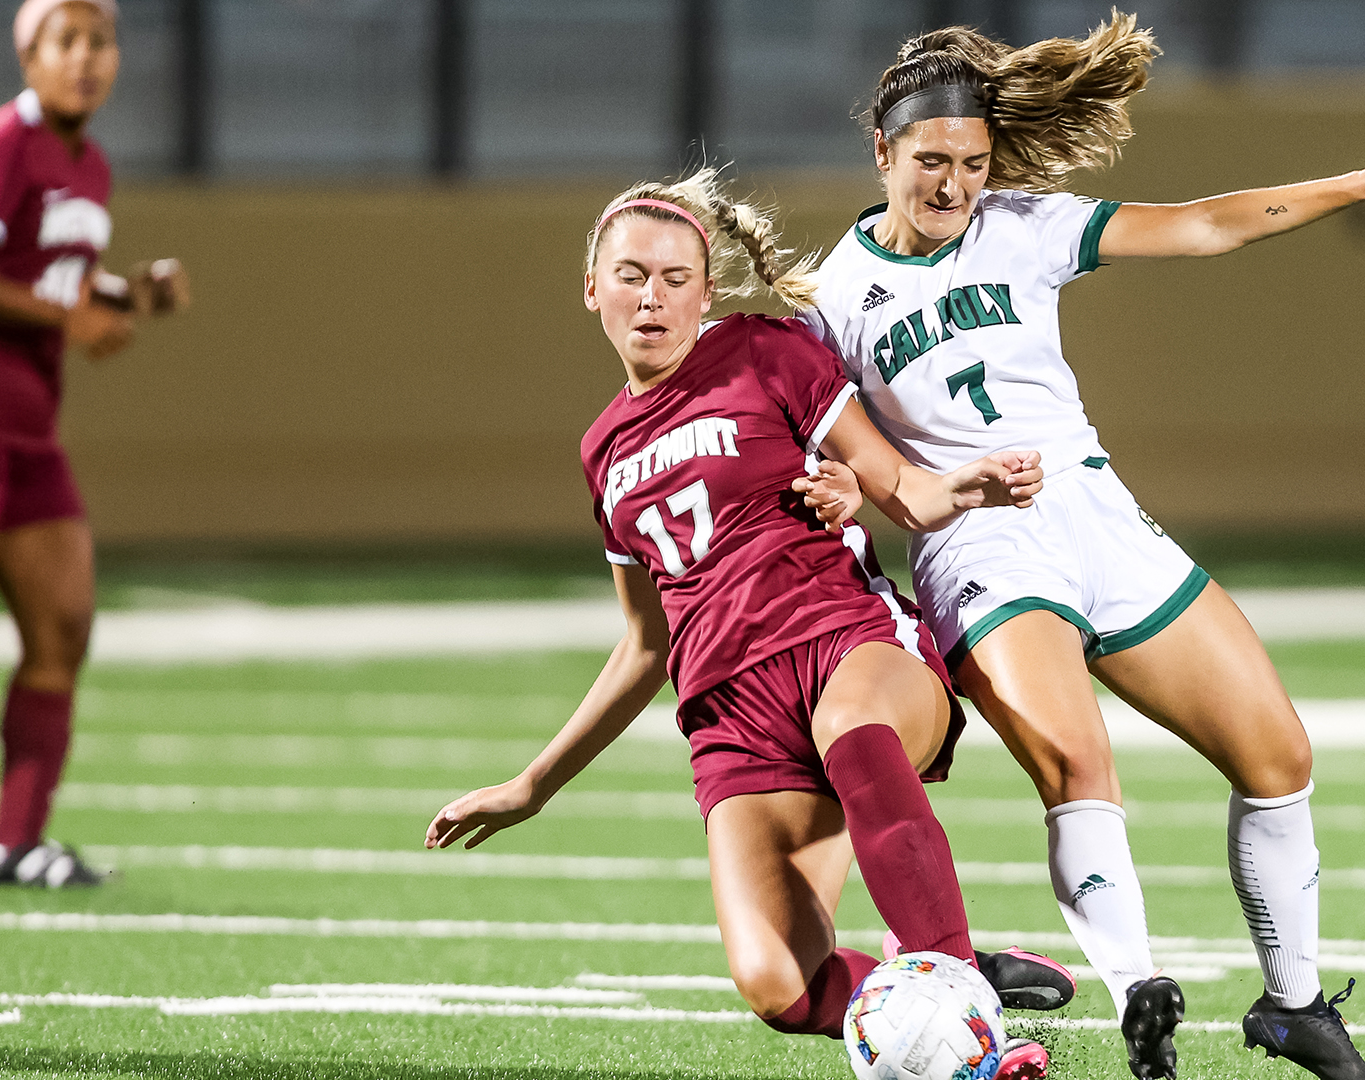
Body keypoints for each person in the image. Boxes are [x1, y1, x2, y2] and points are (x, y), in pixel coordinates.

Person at [792, 14, 1365, 1080]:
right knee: (1079, 760)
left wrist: (1360, 185)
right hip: (980, 546)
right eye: (931, 162)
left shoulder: (1024, 225)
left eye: (973, 163)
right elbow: (855, 463)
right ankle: (1138, 993)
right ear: (882, 151)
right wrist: (840, 490)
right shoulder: (831, 302)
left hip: (1095, 511)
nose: (955, 185)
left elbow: (1202, 226)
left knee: (1278, 755)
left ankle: (1293, 1006)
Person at [425, 172, 1070, 1078]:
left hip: (843, 644)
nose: (652, 297)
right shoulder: (602, 449)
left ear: (707, 291)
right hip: (732, 717)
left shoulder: (765, 350)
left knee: (856, 728)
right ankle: (943, 976)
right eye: (631, 276)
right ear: (592, 289)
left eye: (675, 278)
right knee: (779, 984)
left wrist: (963, 487)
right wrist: (534, 785)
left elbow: (895, 483)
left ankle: (963, 1003)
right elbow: (647, 644)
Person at [0, 0, 187, 889]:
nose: (86, 58)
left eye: (100, 40)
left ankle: (13, 842)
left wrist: (129, 293)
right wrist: (71, 317)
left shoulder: (90, 163)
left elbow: (50, 274)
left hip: (32, 435)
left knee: (63, 627)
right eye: (65, 40)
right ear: (28, 54)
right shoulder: (1, 145)